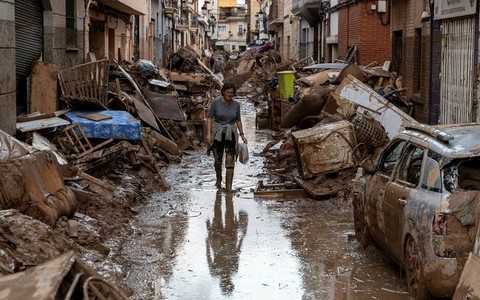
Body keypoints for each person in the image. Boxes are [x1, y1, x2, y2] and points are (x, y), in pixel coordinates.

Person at [206, 82, 247, 192]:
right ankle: (219, 179)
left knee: (230, 162)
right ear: (223, 92)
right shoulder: (215, 103)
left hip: (231, 134)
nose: (230, 94)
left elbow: (238, 120)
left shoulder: (236, 105)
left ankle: (228, 188)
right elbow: (209, 118)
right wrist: (209, 133)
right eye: (228, 92)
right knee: (218, 160)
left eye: (232, 93)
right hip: (218, 134)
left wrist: (242, 134)